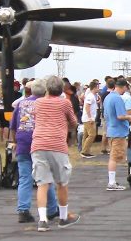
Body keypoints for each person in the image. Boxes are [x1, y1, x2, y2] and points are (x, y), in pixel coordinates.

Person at [30, 76, 81, 231]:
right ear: (61, 89)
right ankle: (63, 217)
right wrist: (66, 126)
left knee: (42, 183)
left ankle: (43, 220)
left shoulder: (38, 102)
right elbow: (73, 122)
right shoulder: (65, 103)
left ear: (47, 89)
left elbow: (35, 117)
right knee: (62, 182)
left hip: (38, 144)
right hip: (57, 145)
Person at [9, 80, 60, 223]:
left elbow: (13, 126)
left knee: (25, 178)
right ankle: (51, 209)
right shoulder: (46, 104)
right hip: (41, 143)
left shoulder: (20, 104)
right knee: (45, 178)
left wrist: (16, 141)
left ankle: (23, 210)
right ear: (45, 92)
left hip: (23, 143)